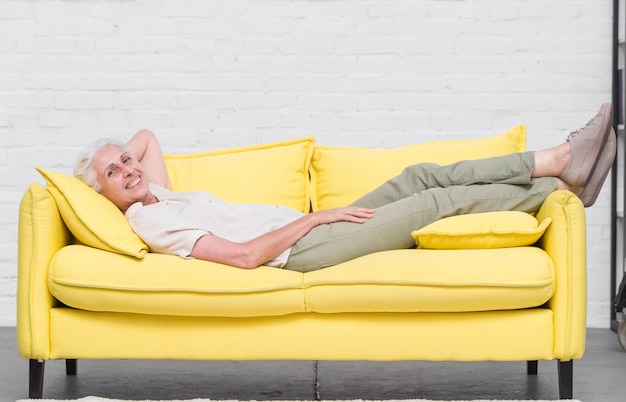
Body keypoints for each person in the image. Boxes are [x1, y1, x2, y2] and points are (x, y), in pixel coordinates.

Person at [74, 103, 616, 272]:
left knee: (417, 176)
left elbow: (146, 138)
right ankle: (559, 192)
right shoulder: (148, 219)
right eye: (114, 175)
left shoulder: (157, 197)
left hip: (306, 230)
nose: (129, 169)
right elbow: (241, 257)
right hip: (299, 248)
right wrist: (313, 217)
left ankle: (561, 159)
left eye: (125, 161)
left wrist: (117, 161)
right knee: (431, 203)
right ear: (103, 195)